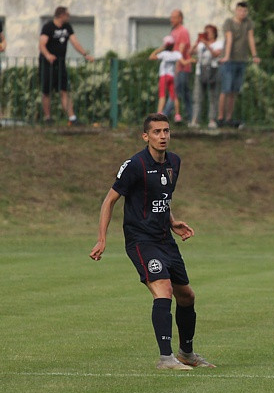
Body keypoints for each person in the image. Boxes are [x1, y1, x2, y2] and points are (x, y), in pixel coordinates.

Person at [89, 113, 215, 371]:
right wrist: (102, 238)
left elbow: (161, 198)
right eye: (156, 132)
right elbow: (109, 200)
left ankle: (186, 354)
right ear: (145, 136)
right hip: (140, 240)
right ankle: (166, 358)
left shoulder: (174, 162)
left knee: (187, 296)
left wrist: (172, 221)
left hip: (164, 239)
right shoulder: (135, 164)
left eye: (166, 131)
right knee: (163, 290)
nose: (163, 136)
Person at [39, 6, 94, 125]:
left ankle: (72, 118)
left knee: (64, 90)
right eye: (67, 15)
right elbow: (42, 44)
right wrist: (48, 55)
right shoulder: (48, 27)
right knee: (46, 91)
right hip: (47, 64)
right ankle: (48, 118)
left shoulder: (67, 27)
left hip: (60, 64)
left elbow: (75, 42)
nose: (69, 17)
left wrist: (85, 54)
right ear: (61, 15)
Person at [218, 1, 260, 127]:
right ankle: (220, 118)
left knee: (234, 91)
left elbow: (250, 38)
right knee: (225, 89)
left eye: (245, 11)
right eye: (240, 10)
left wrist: (254, 55)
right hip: (229, 61)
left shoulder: (248, 23)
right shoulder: (229, 22)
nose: (243, 13)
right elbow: (229, 38)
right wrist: (226, 56)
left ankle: (229, 118)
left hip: (241, 61)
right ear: (236, 11)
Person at [190, 24, 224, 129]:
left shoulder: (219, 43)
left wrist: (207, 45)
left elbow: (216, 54)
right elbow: (190, 53)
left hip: (213, 71)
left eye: (209, 32)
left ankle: (212, 120)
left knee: (213, 96)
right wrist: (197, 43)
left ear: (214, 33)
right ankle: (195, 120)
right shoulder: (200, 45)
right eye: (206, 31)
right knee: (197, 97)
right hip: (200, 72)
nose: (207, 34)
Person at [149, 35, 186, 120]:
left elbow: (151, 57)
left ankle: (158, 114)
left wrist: (160, 48)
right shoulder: (177, 54)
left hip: (164, 76)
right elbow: (183, 62)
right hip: (172, 76)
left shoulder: (164, 54)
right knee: (174, 96)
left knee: (162, 95)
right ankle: (177, 115)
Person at [165, 9, 191, 124]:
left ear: (180, 19)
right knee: (184, 93)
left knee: (175, 91)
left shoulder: (183, 31)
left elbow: (180, 51)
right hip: (174, 67)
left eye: (174, 17)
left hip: (181, 68)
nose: (172, 20)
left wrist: (177, 67)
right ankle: (191, 117)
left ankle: (164, 114)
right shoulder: (173, 32)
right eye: (171, 17)